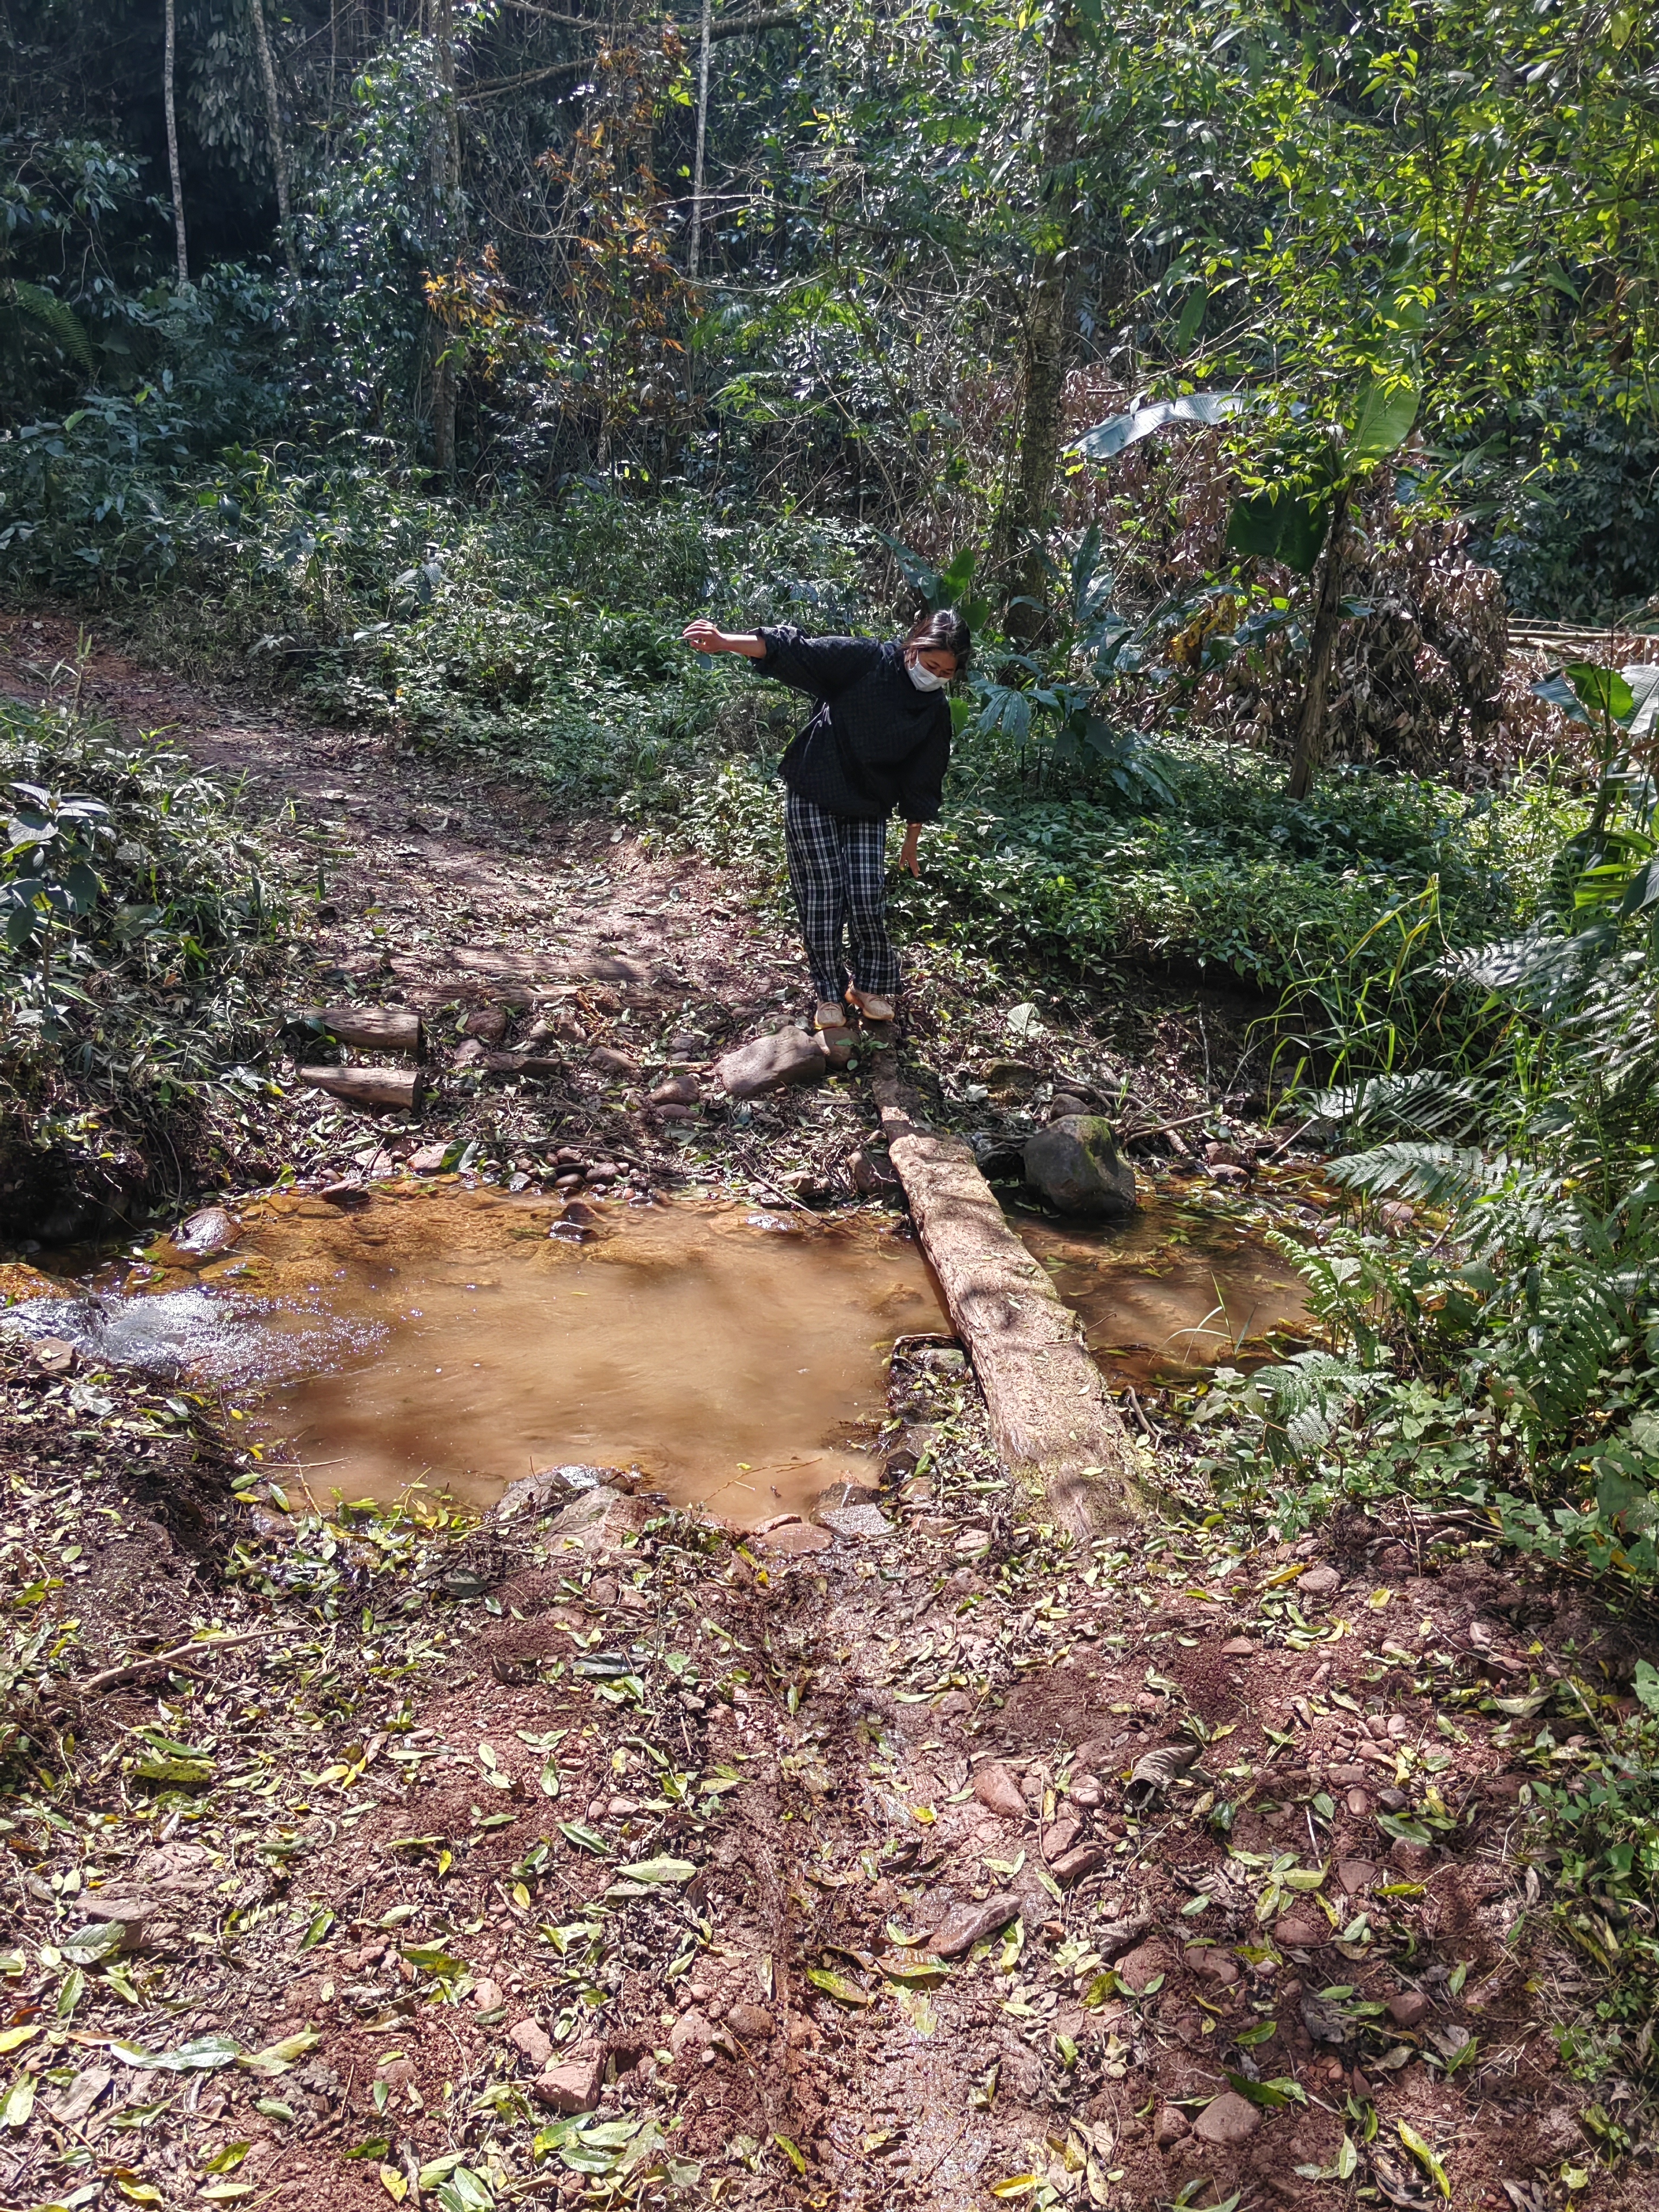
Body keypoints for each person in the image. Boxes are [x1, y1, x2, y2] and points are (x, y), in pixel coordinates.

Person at [678, 608, 970, 1035]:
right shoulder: (866, 660)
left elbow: (925, 776)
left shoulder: (935, 711)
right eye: (931, 664)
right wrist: (725, 641)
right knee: (822, 897)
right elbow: (795, 649)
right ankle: (829, 993)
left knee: (869, 897)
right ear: (913, 647)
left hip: (870, 804)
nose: (936, 675)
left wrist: (912, 838)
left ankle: (868, 988)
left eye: (946, 672)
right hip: (815, 786)